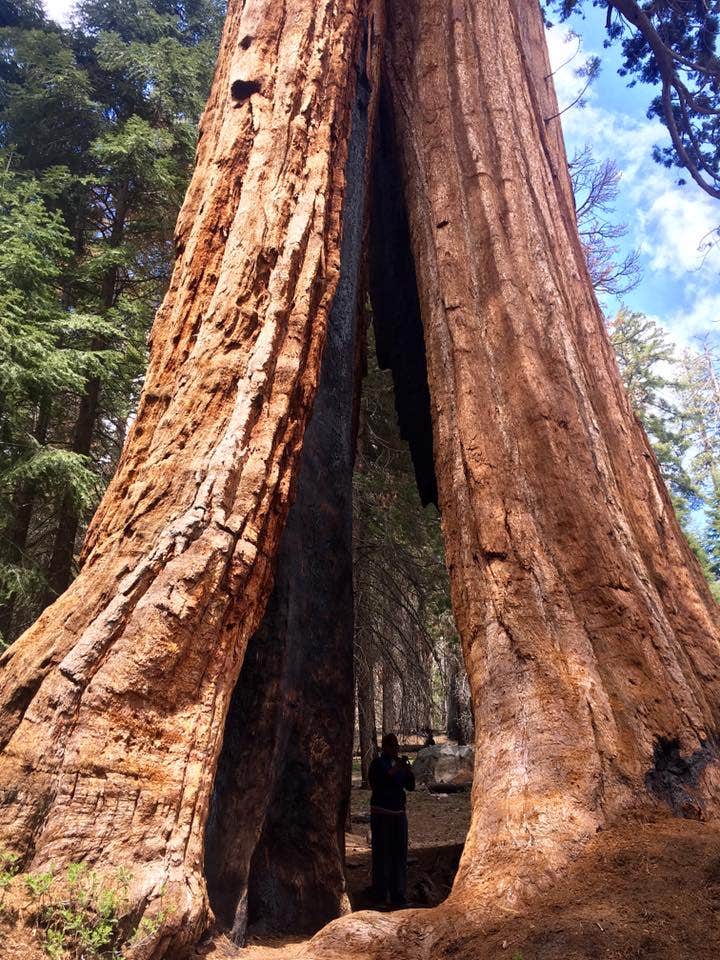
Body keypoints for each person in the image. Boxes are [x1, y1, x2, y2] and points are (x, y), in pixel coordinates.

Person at [368, 732, 415, 907]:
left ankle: (398, 896)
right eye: (392, 746)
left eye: (397, 746)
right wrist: (394, 770)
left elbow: (410, 786)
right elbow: (377, 784)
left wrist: (408, 772)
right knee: (382, 855)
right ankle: (380, 896)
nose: (395, 749)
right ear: (385, 747)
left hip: (399, 815)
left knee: (399, 856)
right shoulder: (377, 764)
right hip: (382, 815)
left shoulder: (400, 765)